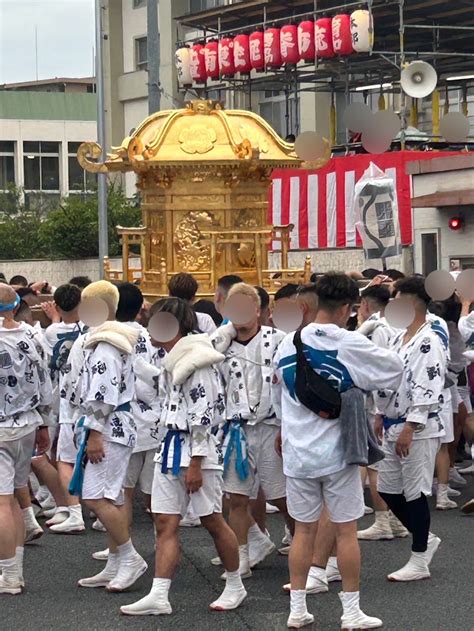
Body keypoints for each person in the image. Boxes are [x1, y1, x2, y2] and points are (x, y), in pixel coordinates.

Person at [274, 272, 403, 630]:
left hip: (298, 451)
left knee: (303, 531)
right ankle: (350, 612)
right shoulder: (348, 342)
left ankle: (297, 609)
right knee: (345, 531)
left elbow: (278, 396)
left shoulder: (287, 343)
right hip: (337, 451)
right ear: (350, 307)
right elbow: (393, 370)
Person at [121, 298, 246, 615]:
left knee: (213, 521)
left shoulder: (198, 361)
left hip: (196, 453)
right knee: (164, 521)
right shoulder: (171, 360)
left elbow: (203, 415)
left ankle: (235, 584)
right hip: (170, 447)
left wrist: (195, 464)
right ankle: (159, 594)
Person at [72, 280, 147, 592]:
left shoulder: (106, 345)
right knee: (111, 495)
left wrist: (94, 434)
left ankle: (130, 557)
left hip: (109, 426)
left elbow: (102, 395)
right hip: (117, 425)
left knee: (95, 496)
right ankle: (116, 561)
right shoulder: (112, 339)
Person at [212, 283, 289, 578]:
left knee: (282, 496)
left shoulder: (279, 340)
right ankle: (241, 556)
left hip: (272, 426)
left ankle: (305, 548)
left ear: (258, 310)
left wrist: (286, 426)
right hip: (236, 430)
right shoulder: (220, 345)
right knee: (237, 497)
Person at [375, 276, 446, 582]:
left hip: (417, 426)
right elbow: (388, 375)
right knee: (387, 488)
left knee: (415, 491)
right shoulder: (399, 337)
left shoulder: (428, 339)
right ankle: (425, 537)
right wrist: (379, 412)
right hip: (391, 421)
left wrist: (411, 425)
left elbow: (429, 385)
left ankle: (419, 557)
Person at [0, 285, 53, 594]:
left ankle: (8, 575)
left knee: (3, 502)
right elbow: (44, 384)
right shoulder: (33, 335)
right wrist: (45, 423)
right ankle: (14, 571)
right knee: (15, 496)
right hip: (28, 424)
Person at [356, 284, 409, 540]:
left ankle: (383, 521)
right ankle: (396, 520)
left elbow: (375, 368)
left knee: (377, 465)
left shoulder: (377, 328)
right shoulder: (398, 325)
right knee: (385, 465)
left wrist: (377, 411)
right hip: (393, 402)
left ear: (365, 304)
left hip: (378, 403)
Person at [40, 284, 86, 533]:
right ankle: (75, 506)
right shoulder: (89, 329)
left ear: (56, 306)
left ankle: (72, 509)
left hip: (61, 398)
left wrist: (55, 317)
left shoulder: (51, 331)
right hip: (86, 398)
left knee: (62, 455)